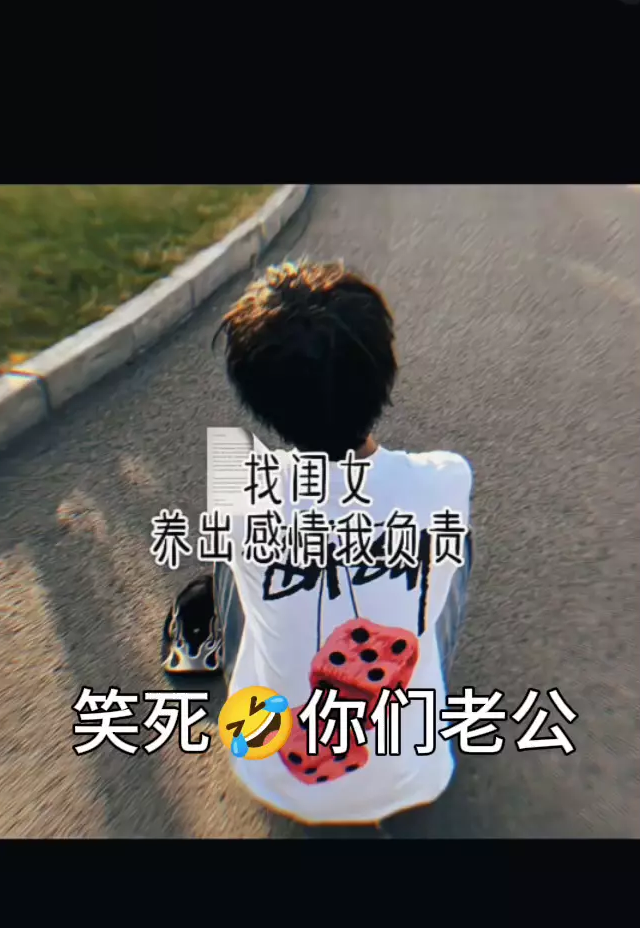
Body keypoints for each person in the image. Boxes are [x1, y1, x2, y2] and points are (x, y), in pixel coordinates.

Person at [164, 259, 473, 835]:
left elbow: (238, 463)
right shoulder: (446, 477)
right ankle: (423, 680)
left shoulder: (237, 485)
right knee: (447, 551)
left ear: (255, 396)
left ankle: (207, 642)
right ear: (385, 370)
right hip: (417, 771)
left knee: (235, 562)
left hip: (265, 765)